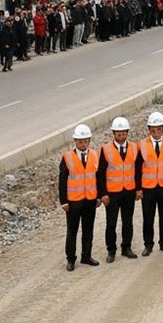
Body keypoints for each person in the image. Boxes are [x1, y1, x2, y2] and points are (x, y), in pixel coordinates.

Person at [97, 116, 140, 263]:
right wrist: (103, 194)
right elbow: (100, 173)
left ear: (127, 133)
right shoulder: (106, 149)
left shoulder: (134, 148)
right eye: (118, 133)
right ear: (113, 133)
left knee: (128, 221)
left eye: (123, 133)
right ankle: (111, 250)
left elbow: (138, 170)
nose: (121, 135)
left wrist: (138, 189)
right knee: (111, 223)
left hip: (128, 191)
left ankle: (126, 247)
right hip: (112, 193)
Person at [59, 124, 100, 271]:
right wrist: (63, 201)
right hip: (74, 201)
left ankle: (86, 256)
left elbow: (98, 177)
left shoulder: (95, 155)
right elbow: (62, 181)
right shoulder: (67, 158)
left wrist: (99, 196)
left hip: (90, 200)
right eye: (80, 141)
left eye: (85, 141)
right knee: (72, 231)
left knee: (88, 229)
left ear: (89, 141)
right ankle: (71, 259)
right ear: (75, 142)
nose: (83, 144)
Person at [139, 111, 163, 256]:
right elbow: (137, 168)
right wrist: (138, 188)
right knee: (148, 217)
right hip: (148, 187)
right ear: (149, 129)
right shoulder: (141, 145)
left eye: (159, 128)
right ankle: (148, 245)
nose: (156, 131)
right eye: (153, 129)